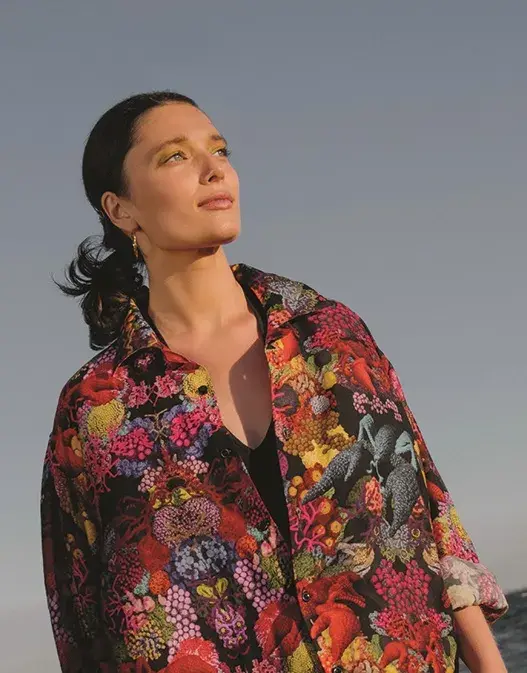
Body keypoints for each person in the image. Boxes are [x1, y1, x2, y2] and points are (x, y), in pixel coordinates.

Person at [40, 90, 508, 673]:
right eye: (175, 156)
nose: (215, 169)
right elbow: (81, 624)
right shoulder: (93, 410)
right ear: (121, 209)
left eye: (219, 150)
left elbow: (433, 518)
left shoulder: (332, 334)